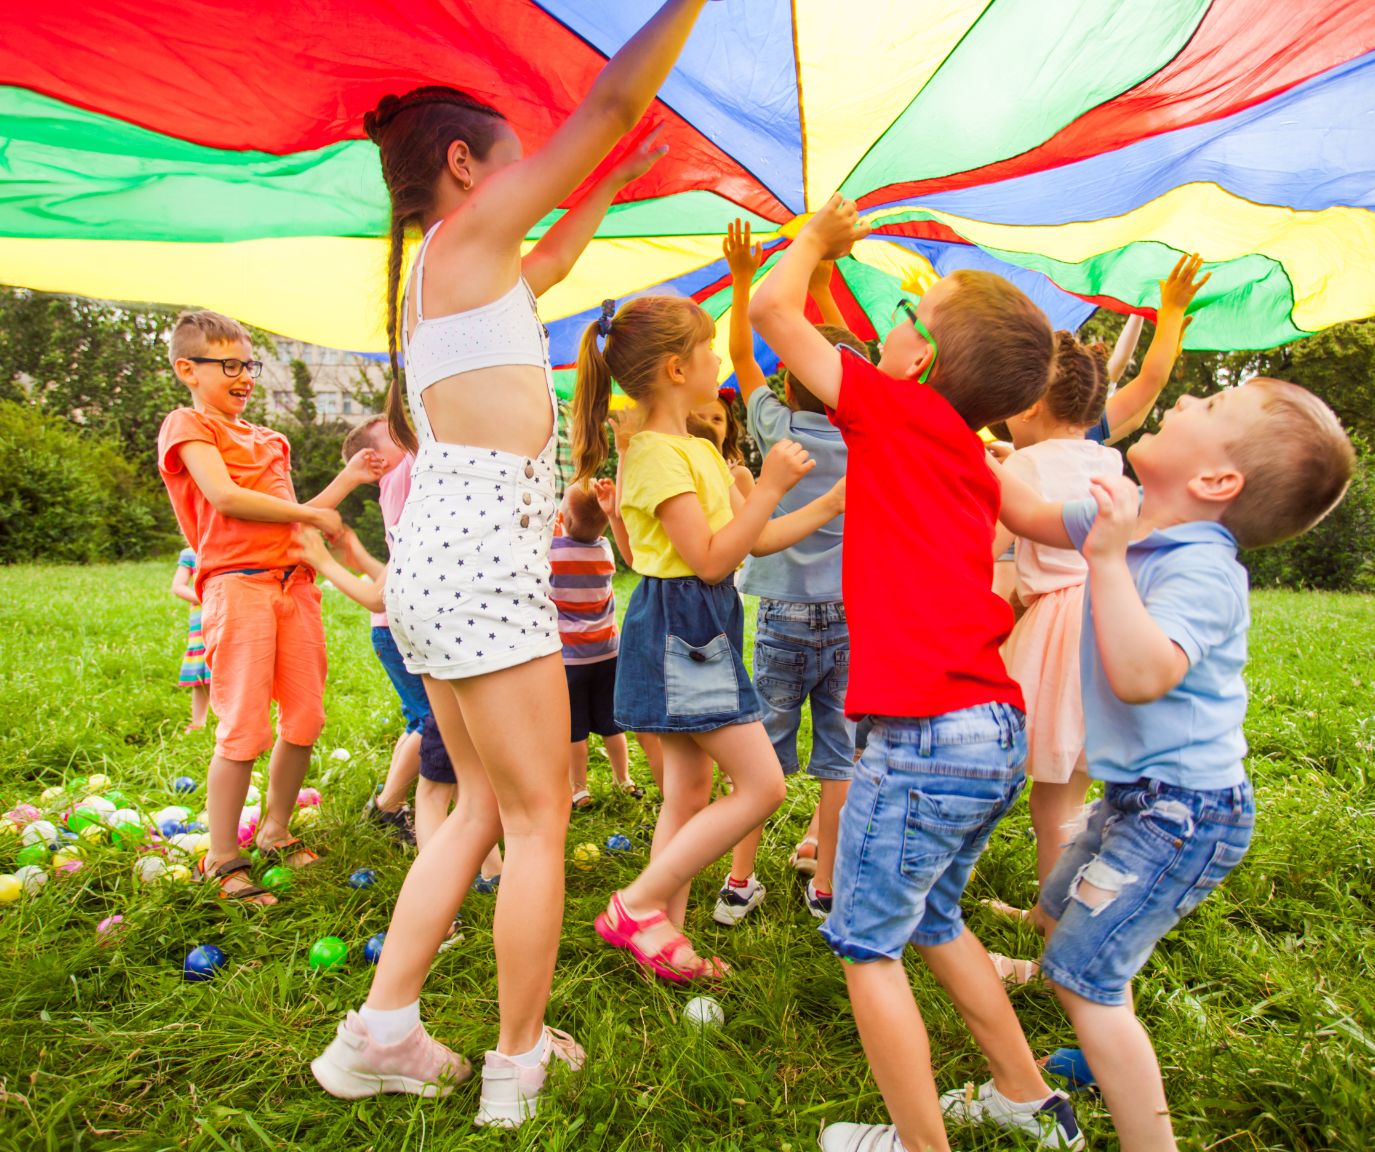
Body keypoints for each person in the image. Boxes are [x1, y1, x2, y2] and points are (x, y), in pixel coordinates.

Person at [310, 1, 721, 1126]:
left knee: (486, 801)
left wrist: (613, 175)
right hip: (484, 565)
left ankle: (382, 1029)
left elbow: (559, 256)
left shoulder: (458, 272)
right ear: (464, 167)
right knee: (541, 820)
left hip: (434, 564)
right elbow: (612, 100)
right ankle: (517, 1061)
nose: (528, 176)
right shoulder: (463, 242)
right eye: (512, 162)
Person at [751, 196, 1083, 1152]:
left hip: (924, 736)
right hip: (992, 729)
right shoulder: (969, 453)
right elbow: (1040, 519)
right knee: (936, 919)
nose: (891, 320)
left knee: (866, 946)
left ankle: (916, 1144)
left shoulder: (892, 411)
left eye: (909, 310)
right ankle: (1028, 1102)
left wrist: (814, 242)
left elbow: (775, 317)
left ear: (922, 361)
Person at [994, 378, 1353, 1152]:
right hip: (1134, 795)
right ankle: (1085, 1024)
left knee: (1082, 978)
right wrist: (957, 440)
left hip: (1184, 814)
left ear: (1215, 482)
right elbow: (1022, 513)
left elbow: (1142, 673)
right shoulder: (1128, 514)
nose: (1185, 399)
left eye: (1209, 410)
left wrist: (1112, 561)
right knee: (1061, 911)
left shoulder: (1202, 570)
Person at [571, 292, 843, 983]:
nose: (719, 360)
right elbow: (711, 559)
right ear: (673, 368)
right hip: (681, 628)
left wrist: (829, 502)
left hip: (700, 623)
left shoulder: (691, 448)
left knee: (689, 795)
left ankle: (664, 936)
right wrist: (763, 490)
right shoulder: (656, 455)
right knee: (762, 785)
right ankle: (635, 905)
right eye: (709, 349)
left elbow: (749, 545)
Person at [157, 309, 383, 907]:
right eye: (227, 365)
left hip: (296, 587)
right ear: (188, 369)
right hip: (239, 588)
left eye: (248, 364)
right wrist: (313, 515)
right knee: (243, 730)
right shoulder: (187, 425)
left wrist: (347, 479)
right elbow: (228, 499)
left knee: (305, 719)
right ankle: (222, 856)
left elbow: (287, 513)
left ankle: (278, 829)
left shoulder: (269, 440)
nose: (244, 376)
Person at [715, 219, 859, 924]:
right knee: (838, 756)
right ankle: (825, 884)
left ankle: (739, 882)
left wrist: (745, 281)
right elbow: (849, 370)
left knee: (761, 755)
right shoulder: (869, 435)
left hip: (780, 614)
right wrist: (827, 281)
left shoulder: (777, 425)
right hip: (853, 615)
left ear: (788, 385)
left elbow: (741, 353)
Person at [992, 256, 1210, 604]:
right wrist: (1170, 315)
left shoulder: (1025, 465)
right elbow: (1152, 378)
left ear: (1031, 405)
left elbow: (986, 546)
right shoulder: (1098, 449)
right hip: (1102, 603)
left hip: (1047, 607)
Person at [338, 417, 419, 843]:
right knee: (431, 721)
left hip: (392, 625)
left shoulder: (400, 479)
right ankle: (388, 806)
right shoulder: (401, 473)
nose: (406, 426)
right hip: (395, 626)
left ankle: (391, 802)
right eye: (395, 428)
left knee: (419, 720)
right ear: (376, 460)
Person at [553, 481, 643, 810]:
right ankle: (624, 780)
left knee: (574, 729)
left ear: (564, 519)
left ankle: (579, 789)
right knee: (610, 722)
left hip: (571, 659)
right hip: (607, 653)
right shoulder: (604, 550)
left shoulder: (555, 553)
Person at [171, 547, 210, 733]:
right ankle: (198, 721)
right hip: (202, 618)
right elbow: (178, 586)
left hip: (230, 615)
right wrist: (203, 598)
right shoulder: (190, 553)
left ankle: (231, 720)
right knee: (200, 672)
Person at [688, 390, 754, 496]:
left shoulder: (738, 475)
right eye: (700, 418)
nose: (708, 425)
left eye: (717, 419)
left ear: (728, 430)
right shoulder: (679, 471)